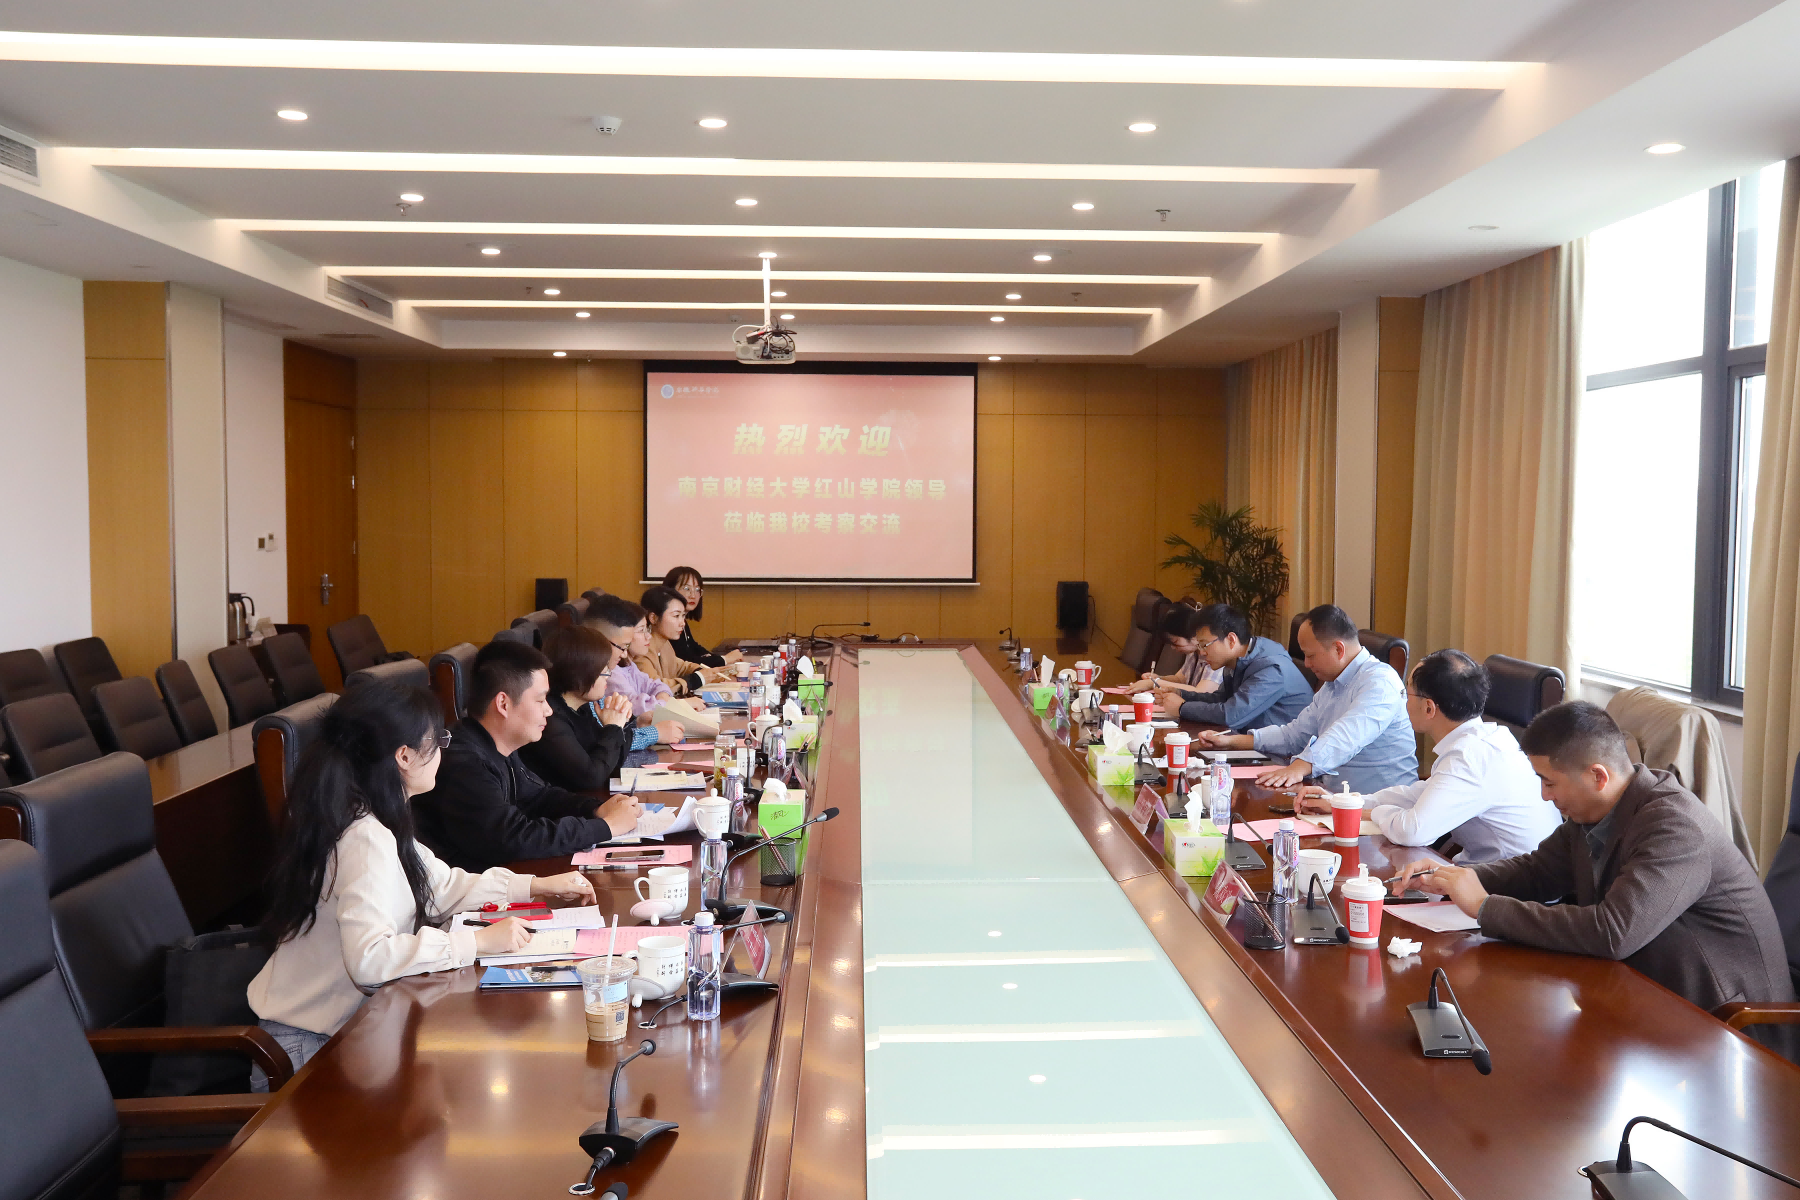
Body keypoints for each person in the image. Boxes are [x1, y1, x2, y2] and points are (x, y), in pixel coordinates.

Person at [1392, 701, 1795, 1054]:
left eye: (1549, 782)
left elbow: (1612, 932)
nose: (1545, 796)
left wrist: (1483, 907)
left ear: (1598, 776)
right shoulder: (1596, 811)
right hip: (1650, 998)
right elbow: (1538, 871)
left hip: (1729, 1028)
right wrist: (1454, 877)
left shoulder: (1675, 828)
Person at [248, 681, 597, 1082]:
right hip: (306, 1049)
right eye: (439, 740)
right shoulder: (363, 837)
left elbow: (441, 886)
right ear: (404, 756)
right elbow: (369, 962)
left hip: (350, 1029)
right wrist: (476, 942)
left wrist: (535, 886)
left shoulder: (378, 816)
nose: (444, 751)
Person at [1300, 649, 1560, 862]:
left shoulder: (1469, 757)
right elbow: (1417, 795)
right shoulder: (1487, 738)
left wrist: (1373, 812)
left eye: (1407, 693)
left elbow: (1413, 831)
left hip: (1510, 895)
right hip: (1483, 877)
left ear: (1429, 708)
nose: (1404, 701)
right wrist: (1344, 802)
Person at [413, 639, 641, 871]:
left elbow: (538, 798)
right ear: (503, 704)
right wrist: (606, 827)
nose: (549, 710)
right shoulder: (464, 762)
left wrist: (596, 809)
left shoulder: (497, 744)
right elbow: (514, 839)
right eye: (540, 700)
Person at [1200, 603, 1417, 792]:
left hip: (1379, 810)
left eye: (1310, 655)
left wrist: (1298, 768)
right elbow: (1294, 735)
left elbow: (1346, 736)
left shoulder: (1381, 682)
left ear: (1338, 649)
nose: (1306, 663)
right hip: (1332, 799)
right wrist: (1232, 741)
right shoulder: (1332, 684)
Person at [1156, 603, 1313, 731]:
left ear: (1231, 640)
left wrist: (1182, 707)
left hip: (1285, 755)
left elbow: (1231, 715)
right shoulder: (1238, 659)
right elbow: (1221, 699)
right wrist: (1182, 694)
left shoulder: (1270, 668)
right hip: (1252, 742)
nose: (1201, 653)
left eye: (1205, 645)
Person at [518, 624, 634, 792]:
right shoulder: (550, 719)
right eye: (603, 670)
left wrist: (618, 721)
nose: (608, 675)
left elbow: (611, 762)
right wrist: (613, 727)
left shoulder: (580, 707)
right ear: (580, 673)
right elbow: (591, 777)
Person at [589, 595, 684, 744]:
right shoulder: (609, 675)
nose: (625, 654)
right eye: (623, 646)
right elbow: (606, 744)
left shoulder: (624, 665)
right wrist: (654, 733)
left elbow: (654, 684)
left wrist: (637, 724)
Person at [638, 585, 732, 696]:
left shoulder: (665, 644)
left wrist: (706, 672)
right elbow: (655, 687)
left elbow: (681, 666)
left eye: (683, 616)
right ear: (653, 618)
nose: (682, 623)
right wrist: (699, 678)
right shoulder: (641, 650)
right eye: (676, 616)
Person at [1125, 604, 1223, 698]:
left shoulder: (1213, 655)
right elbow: (1180, 679)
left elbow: (1201, 692)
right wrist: (1158, 678)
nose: (1173, 647)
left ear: (1194, 635)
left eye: (1175, 642)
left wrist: (1154, 683)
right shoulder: (1193, 652)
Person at [662, 566, 743, 669]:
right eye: (687, 588)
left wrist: (719, 658)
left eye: (697, 590)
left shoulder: (682, 622)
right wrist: (724, 659)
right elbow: (686, 661)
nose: (693, 595)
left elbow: (694, 648)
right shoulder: (668, 622)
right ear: (670, 590)